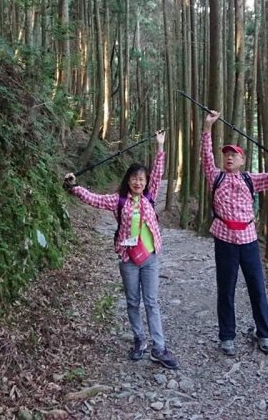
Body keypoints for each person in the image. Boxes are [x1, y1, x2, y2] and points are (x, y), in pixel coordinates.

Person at [63, 130, 178, 370]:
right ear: (128, 180)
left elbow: (158, 173)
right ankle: (139, 340)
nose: (139, 182)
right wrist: (74, 187)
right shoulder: (118, 200)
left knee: (152, 302)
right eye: (134, 178)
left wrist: (160, 146)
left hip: (150, 258)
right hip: (128, 258)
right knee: (133, 301)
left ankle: (159, 347)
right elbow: (93, 198)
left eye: (142, 179)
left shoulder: (149, 197)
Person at [201, 111, 268, 356]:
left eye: (233, 154)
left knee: (257, 287)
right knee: (226, 288)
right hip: (224, 240)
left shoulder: (250, 179)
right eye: (226, 154)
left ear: (242, 159)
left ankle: (265, 334)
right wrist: (207, 127)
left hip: (248, 241)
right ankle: (227, 336)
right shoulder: (215, 177)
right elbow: (206, 157)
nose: (228, 157)